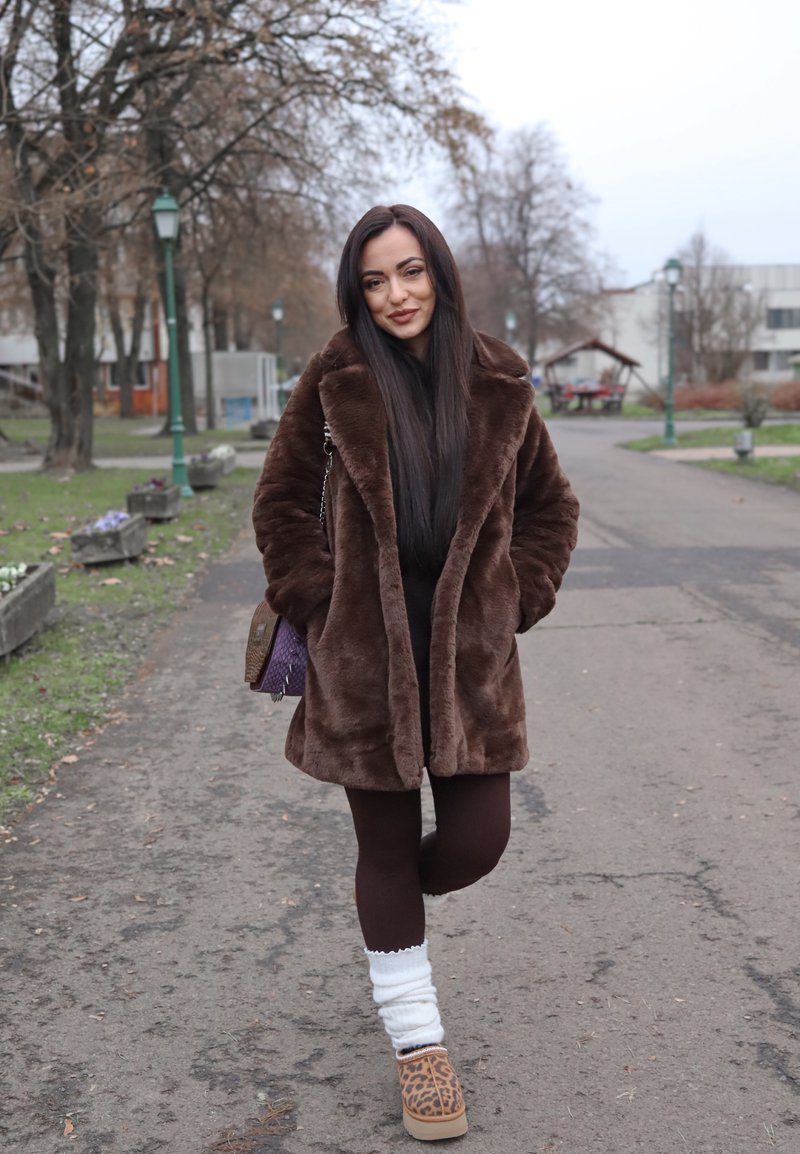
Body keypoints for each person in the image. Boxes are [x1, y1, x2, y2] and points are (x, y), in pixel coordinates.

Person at [252, 204, 579, 1142]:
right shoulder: (335, 378)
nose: (395, 295)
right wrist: (322, 603)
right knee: (386, 849)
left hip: (471, 660)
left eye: (409, 272)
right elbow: (280, 502)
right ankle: (418, 1045)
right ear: (356, 294)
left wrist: (517, 597)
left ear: (439, 271)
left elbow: (551, 507)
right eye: (374, 281)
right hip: (365, 664)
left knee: (478, 841)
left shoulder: (498, 380)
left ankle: (392, 902)